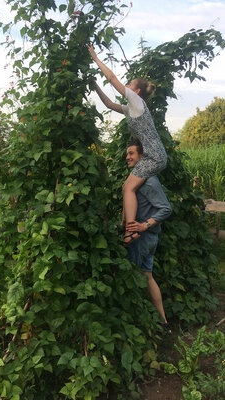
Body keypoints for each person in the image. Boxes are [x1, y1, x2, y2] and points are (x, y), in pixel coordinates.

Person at [88, 45, 167, 246]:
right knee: (127, 188)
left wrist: (96, 59)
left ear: (137, 91)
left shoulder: (137, 101)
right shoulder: (131, 108)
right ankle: (127, 224)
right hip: (153, 156)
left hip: (154, 156)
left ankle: (131, 230)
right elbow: (108, 104)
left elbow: (113, 79)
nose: (127, 87)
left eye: (130, 85)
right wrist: (94, 84)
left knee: (127, 189)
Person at [125, 138, 172, 331]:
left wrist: (144, 225)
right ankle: (162, 320)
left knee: (132, 278)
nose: (127, 157)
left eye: (131, 153)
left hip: (142, 238)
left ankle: (134, 324)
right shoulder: (140, 179)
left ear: (142, 157)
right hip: (149, 238)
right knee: (147, 276)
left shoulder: (149, 181)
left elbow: (166, 209)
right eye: (127, 153)